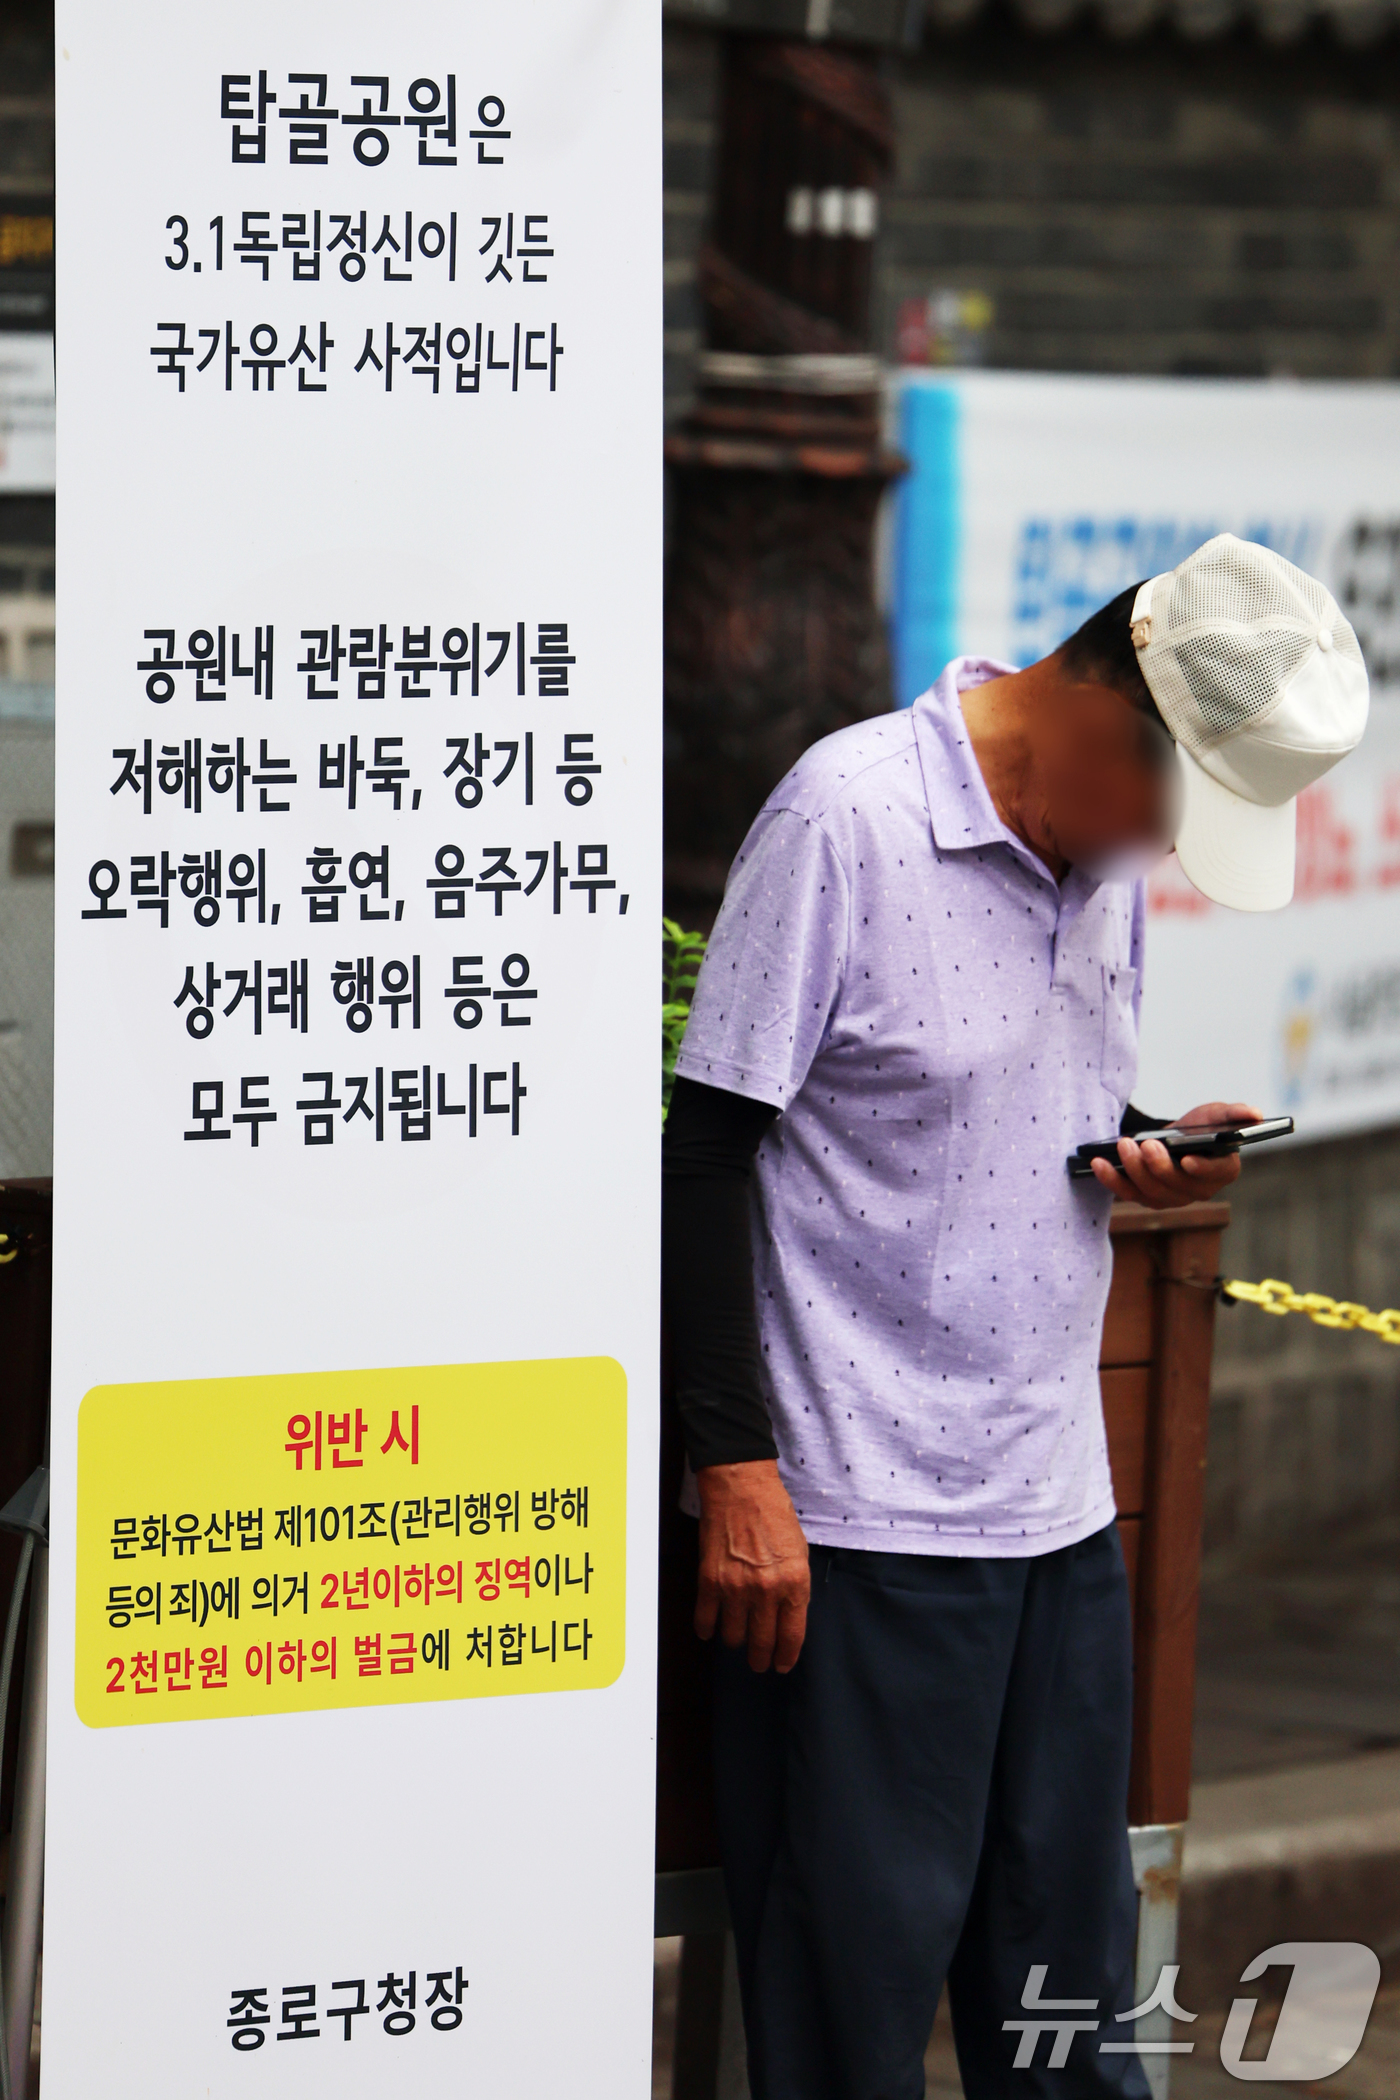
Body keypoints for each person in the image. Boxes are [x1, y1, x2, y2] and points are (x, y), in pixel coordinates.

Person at [661, 535, 1369, 2100]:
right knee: (849, 2014)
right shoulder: (846, 819)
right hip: (858, 1524)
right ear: (1116, 723)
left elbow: (992, 1097)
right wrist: (737, 1468)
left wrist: (1138, 1140)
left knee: (1071, 2007)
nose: (1165, 853)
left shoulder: (1098, 860)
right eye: (1177, 813)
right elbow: (707, 1150)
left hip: (1055, 1508)